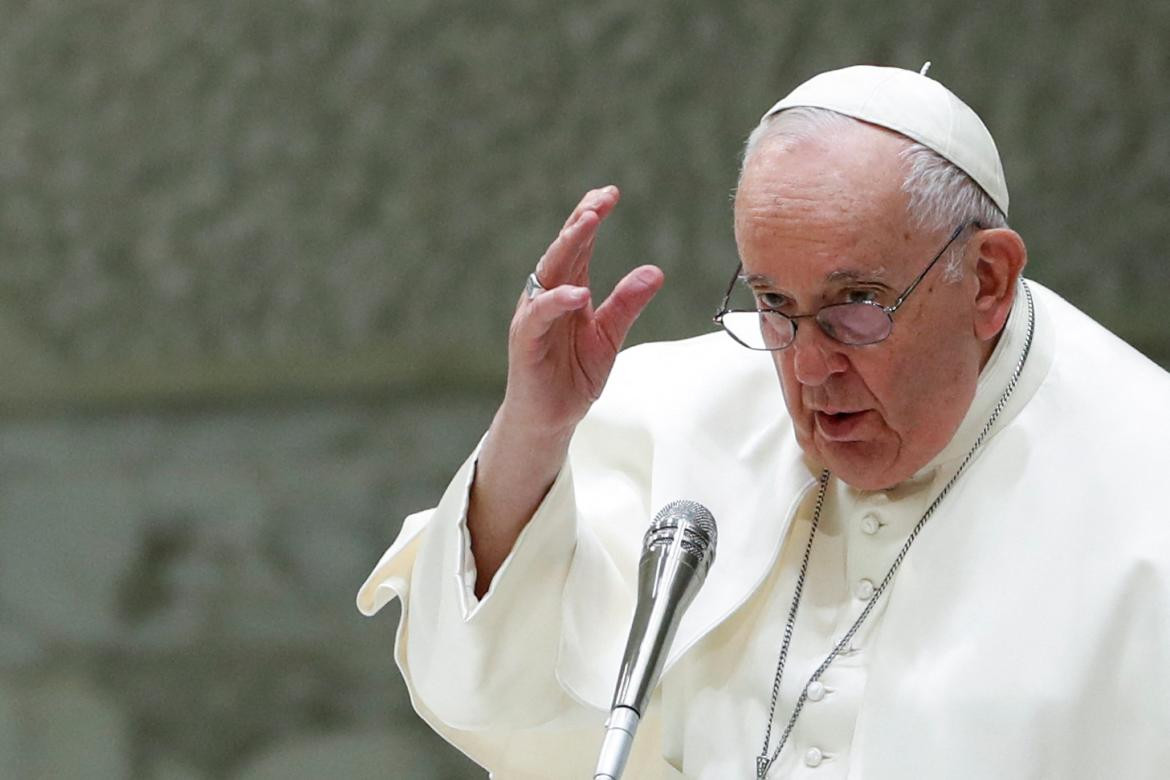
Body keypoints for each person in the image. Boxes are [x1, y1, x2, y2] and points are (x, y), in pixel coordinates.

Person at [358, 65, 1170, 779]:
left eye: (856, 307)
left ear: (987, 281)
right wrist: (535, 426)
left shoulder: (1145, 477)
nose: (809, 368)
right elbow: (477, 684)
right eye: (774, 305)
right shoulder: (681, 409)